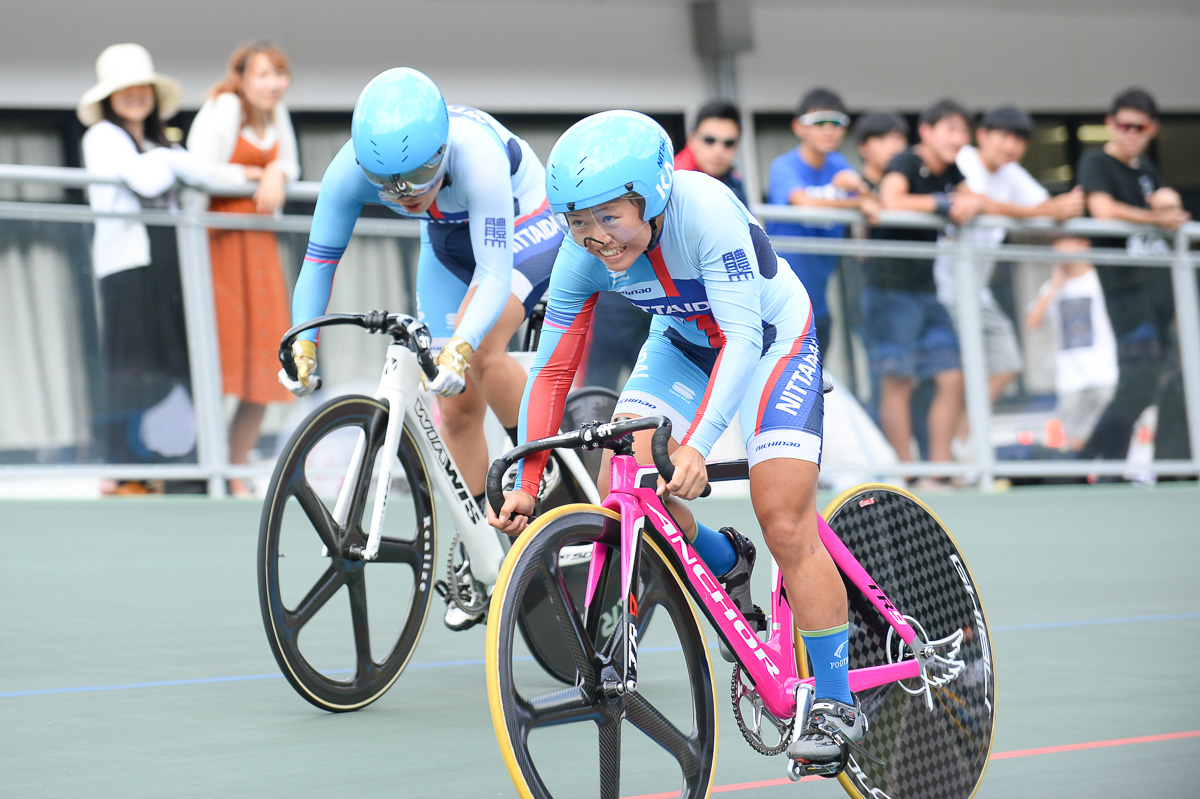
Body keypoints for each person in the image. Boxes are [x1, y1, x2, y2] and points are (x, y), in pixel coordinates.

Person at [490, 111, 866, 766]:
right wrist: (529, 481)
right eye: (577, 222)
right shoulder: (584, 253)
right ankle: (726, 561)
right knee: (632, 473)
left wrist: (699, 442)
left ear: (654, 194)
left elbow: (744, 339)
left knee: (782, 515)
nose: (594, 238)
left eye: (610, 217)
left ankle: (836, 701)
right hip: (683, 343)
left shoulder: (706, 212)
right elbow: (550, 372)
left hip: (770, 341)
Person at [282, 67, 562, 628]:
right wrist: (303, 340)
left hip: (526, 221)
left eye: (419, 176)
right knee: (453, 404)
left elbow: (492, 268)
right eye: (388, 185)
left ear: (441, 152)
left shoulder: (476, 157)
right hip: (445, 238)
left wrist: (461, 342)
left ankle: (541, 458)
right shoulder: (350, 171)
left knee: (477, 354)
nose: (404, 195)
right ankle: (489, 545)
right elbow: (318, 262)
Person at [79, 43, 209, 494]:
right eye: (124, 88)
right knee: (131, 363)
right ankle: (124, 467)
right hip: (127, 267)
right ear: (108, 98)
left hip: (168, 266)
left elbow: (203, 174)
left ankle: (179, 464)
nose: (135, 95)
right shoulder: (102, 138)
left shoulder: (160, 142)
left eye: (142, 87)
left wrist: (167, 158)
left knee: (175, 361)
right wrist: (173, 162)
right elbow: (149, 180)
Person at [931, 106, 1085, 439]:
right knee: (950, 377)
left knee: (1007, 364)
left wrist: (1059, 208)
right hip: (942, 290)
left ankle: (963, 444)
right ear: (983, 135)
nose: (1011, 146)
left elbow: (1046, 208)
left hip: (976, 293)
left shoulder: (1012, 173)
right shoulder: (966, 159)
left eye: (1019, 139)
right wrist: (1031, 210)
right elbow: (977, 202)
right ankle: (948, 457)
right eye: (1004, 135)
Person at [187, 40, 299, 496]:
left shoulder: (277, 116)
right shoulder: (223, 108)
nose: (273, 84)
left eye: (279, 73)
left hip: (260, 246)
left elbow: (289, 163)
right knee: (222, 355)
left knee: (263, 359)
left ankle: (234, 465)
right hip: (222, 244)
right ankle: (206, 465)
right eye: (263, 75)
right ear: (241, 78)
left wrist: (276, 174)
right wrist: (255, 174)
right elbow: (198, 170)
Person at [1074, 87, 1192, 466]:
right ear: (1110, 124)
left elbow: (1166, 212)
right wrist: (1157, 216)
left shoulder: (1146, 171)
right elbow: (1102, 210)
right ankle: (1093, 465)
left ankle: (1173, 468)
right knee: (1139, 383)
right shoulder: (1096, 162)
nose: (1131, 133)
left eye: (1139, 127)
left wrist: (1168, 202)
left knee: (1179, 381)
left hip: (1161, 296)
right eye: (1124, 125)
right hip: (1127, 295)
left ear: (1152, 129)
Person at [868, 99, 985, 479]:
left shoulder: (951, 169)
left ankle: (937, 471)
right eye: (950, 129)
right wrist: (942, 202)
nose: (958, 138)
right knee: (897, 380)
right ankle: (908, 474)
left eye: (963, 131)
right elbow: (891, 199)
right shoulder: (905, 161)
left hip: (925, 289)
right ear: (927, 131)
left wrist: (971, 201)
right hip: (888, 288)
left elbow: (972, 196)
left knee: (952, 376)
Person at [766, 88, 875, 352]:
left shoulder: (839, 164)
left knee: (815, 386)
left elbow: (874, 205)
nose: (829, 130)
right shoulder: (784, 165)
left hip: (819, 305)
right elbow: (804, 202)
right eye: (819, 122)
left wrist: (862, 191)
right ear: (798, 127)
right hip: (778, 304)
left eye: (837, 122)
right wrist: (856, 201)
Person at [1024, 237, 1118, 451]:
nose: (1059, 248)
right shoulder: (1051, 287)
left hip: (1105, 372)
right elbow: (1032, 322)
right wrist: (1055, 286)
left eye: (1067, 241)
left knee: (1108, 437)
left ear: (1084, 245)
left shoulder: (1099, 280)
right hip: (1071, 377)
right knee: (1070, 442)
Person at [674, 99, 748, 204]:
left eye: (729, 143)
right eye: (709, 140)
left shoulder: (734, 179)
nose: (718, 150)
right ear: (691, 140)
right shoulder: (672, 182)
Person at [853, 113, 908, 192]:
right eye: (881, 139)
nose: (892, 147)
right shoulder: (851, 189)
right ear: (863, 147)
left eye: (897, 138)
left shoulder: (912, 190)